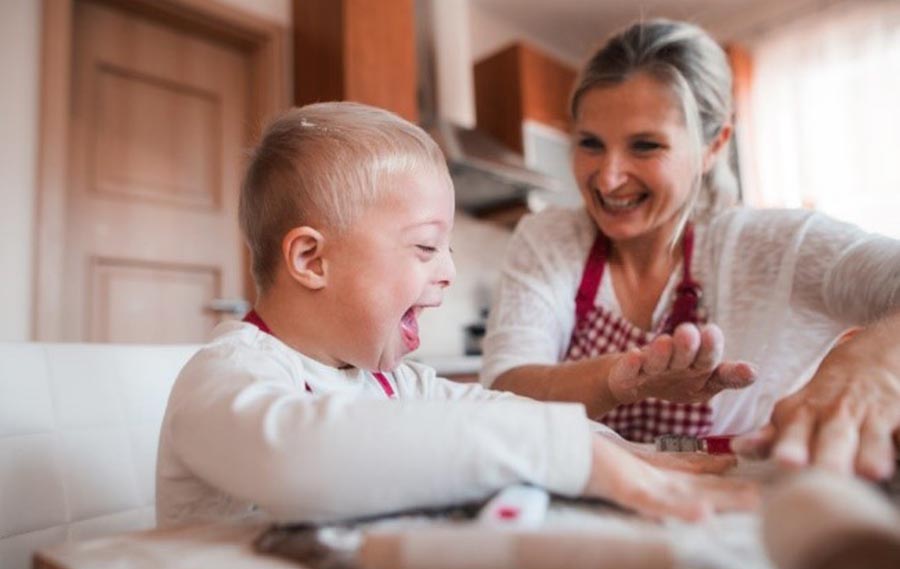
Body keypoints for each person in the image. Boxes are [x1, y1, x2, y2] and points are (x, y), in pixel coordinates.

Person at [155, 102, 756, 528]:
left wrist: (634, 453)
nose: (447, 269)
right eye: (423, 247)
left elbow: (495, 413)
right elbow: (302, 459)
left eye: (447, 248)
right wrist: (566, 456)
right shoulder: (227, 377)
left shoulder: (391, 381)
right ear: (312, 258)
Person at [481, 19, 900, 480]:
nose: (608, 177)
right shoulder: (549, 239)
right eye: (590, 144)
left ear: (713, 145)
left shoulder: (779, 244)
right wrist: (618, 380)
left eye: (645, 146)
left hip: (732, 505)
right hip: (587, 492)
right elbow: (505, 389)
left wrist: (867, 366)